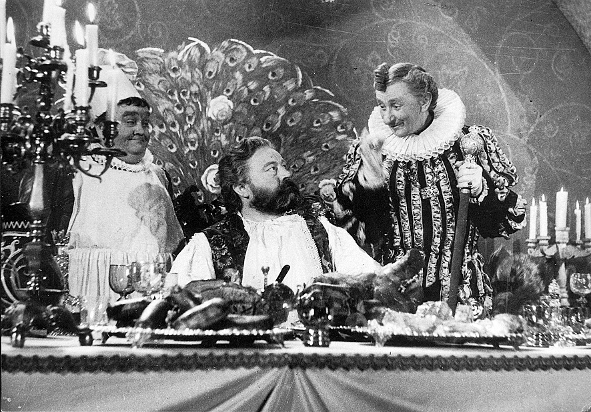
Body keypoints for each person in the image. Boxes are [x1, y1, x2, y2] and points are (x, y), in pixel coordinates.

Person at [325, 62, 526, 316]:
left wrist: (480, 190)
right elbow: (362, 236)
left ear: (425, 101)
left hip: (460, 295)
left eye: (396, 106)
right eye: (382, 106)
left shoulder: (469, 144)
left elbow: (503, 223)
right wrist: (370, 184)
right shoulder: (372, 151)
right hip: (394, 295)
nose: (387, 118)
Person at [170, 137, 400, 293]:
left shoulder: (321, 230)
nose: (286, 174)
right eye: (272, 169)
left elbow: (371, 281)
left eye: (283, 166)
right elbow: (181, 301)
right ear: (242, 188)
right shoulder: (209, 244)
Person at [67, 63, 185, 309]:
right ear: (101, 129)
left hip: (151, 296)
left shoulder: (158, 176)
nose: (140, 131)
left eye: (145, 122)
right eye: (130, 121)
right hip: (93, 294)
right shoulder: (79, 174)